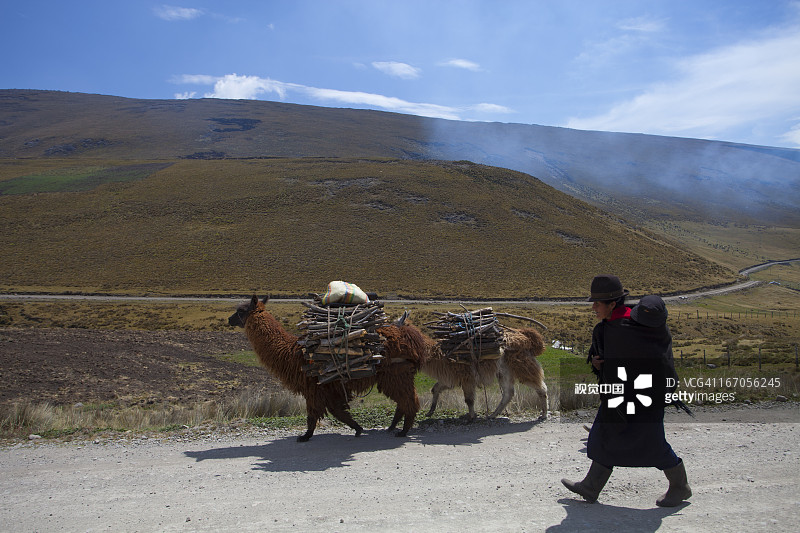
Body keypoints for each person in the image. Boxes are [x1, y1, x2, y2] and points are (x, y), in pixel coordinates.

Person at [561, 276, 692, 507]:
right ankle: (591, 486)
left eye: (597, 304)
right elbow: (608, 360)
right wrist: (598, 364)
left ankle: (680, 486)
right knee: (604, 434)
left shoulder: (636, 325)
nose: (593, 308)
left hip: (645, 395)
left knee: (651, 442)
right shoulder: (607, 328)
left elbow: (654, 359)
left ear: (613, 304)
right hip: (619, 395)